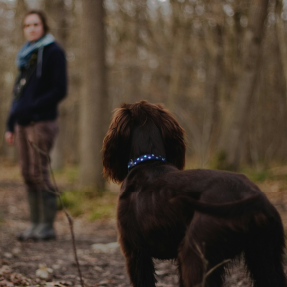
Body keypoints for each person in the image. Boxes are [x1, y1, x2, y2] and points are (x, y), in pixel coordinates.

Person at [5, 10, 67, 241]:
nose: (31, 28)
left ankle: (47, 225)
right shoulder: (25, 56)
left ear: (44, 26)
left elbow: (60, 89)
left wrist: (33, 107)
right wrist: (10, 124)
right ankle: (34, 223)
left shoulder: (53, 52)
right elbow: (17, 94)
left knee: (40, 172)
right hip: (21, 124)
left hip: (41, 122)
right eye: (27, 25)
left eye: (35, 24)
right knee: (26, 173)